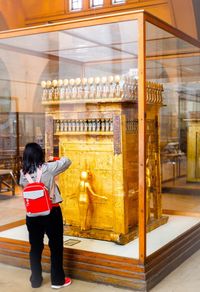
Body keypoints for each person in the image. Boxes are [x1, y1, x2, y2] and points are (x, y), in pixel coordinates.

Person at [19, 142, 72, 289]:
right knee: (56, 246)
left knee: (35, 247)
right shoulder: (49, 168)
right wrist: (53, 158)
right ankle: (58, 280)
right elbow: (67, 161)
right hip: (52, 212)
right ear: (40, 155)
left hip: (32, 215)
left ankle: (35, 280)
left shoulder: (23, 174)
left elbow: (25, 186)